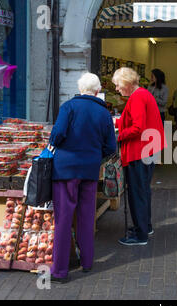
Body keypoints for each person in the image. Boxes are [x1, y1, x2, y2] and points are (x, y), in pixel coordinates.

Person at [49, 73, 117, 283]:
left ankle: (60, 271)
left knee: (63, 219)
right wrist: (95, 155)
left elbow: (57, 135)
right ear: (97, 91)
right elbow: (110, 147)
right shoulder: (104, 113)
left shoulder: (69, 107)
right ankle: (87, 262)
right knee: (87, 216)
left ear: (80, 89)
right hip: (89, 170)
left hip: (65, 170)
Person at [113, 67, 166, 246]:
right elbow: (135, 121)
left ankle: (140, 234)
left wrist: (118, 136)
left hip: (139, 151)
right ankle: (145, 226)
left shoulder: (137, 98)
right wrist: (117, 122)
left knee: (137, 192)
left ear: (127, 83)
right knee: (143, 190)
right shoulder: (142, 94)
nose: (117, 89)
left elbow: (137, 127)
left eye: (118, 85)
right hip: (148, 149)